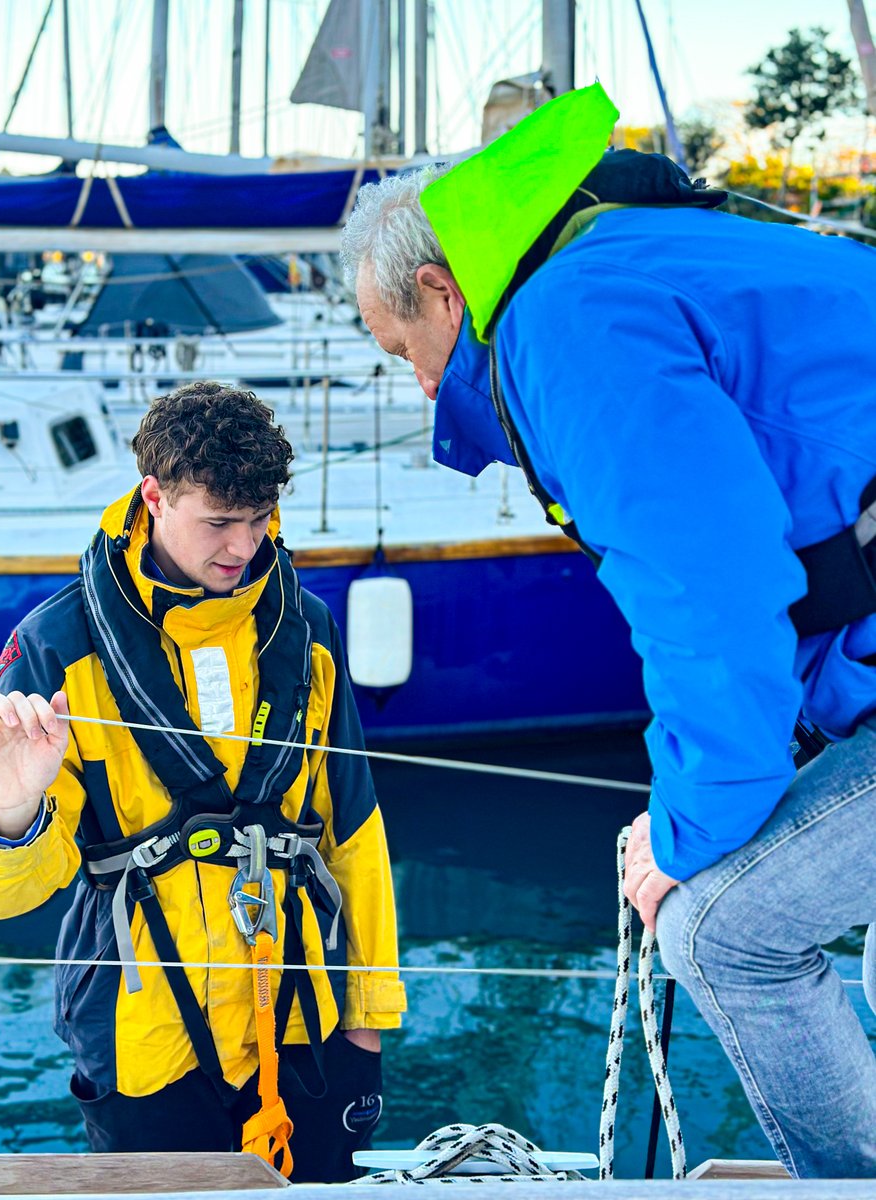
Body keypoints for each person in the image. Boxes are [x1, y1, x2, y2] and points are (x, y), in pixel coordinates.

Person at [340, 82, 876, 1178]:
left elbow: (711, 597)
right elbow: (815, 547)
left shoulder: (563, 323)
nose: (422, 383)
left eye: (404, 351)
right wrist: (696, 800)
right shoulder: (637, 253)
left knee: (720, 932)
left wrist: (683, 839)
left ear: (444, 295)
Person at [0, 382, 405, 1182]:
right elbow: (3, 897)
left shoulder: (305, 627)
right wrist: (12, 801)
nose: (243, 545)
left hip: (302, 1023)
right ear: (154, 496)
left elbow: (353, 829)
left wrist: (369, 1019)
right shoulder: (56, 646)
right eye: (218, 521)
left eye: (259, 519)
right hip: (143, 1043)